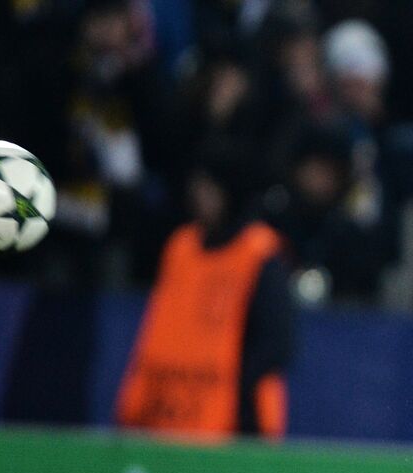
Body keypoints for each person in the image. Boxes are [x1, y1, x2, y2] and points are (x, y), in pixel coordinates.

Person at [116, 142, 294, 441]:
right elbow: (156, 333)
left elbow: (276, 344)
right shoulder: (180, 246)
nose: (198, 195)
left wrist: (237, 395)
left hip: (236, 427)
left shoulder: (260, 253)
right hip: (164, 421)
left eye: (209, 187)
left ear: (230, 192)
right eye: (197, 185)